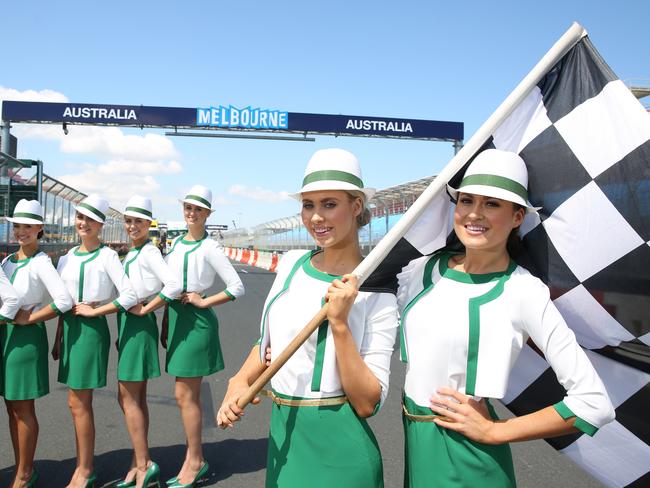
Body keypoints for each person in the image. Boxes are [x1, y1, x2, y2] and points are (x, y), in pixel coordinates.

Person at [397, 149, 615, 487]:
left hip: (468, 461)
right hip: (416, 449)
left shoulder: (524, 291)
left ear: (517, 217)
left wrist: (497, 431)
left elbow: (594, 404)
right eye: (466, 201)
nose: (474, 213)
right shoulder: (419, 271)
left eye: (493, 204)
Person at [217, 148, 399, 488]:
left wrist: (341, 325)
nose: (316, 217)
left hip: (341, 452)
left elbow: (367, 402)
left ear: (356, 206)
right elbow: (270, 340)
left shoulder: (377, 290)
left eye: (329, 204)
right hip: (283, 439)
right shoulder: (289, 266)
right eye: (308, 205)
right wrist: (239, 380)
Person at [163, 184, 244, 487]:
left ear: (208, 213)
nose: (192, 213)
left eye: (198, 209)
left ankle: (195, 460)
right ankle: (193, 457)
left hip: (196, 321)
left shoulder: (211, 247)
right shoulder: (175, 244)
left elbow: (237, 286)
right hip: (176, 319)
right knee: (187, 394)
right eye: (188, 207)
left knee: (184, 393)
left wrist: (204, 300)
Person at [54, 194, 137, 488]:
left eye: (90, 219)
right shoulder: (65, 257)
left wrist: (96, 309)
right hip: (70, 329)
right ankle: (83, 466)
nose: (83, 223)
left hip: (90, 330)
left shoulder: (107, 256)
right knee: (74, 403)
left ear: (101, 224)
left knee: (79, 401)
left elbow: (128, 295)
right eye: (80, 217)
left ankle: (85, 470)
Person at [1, 200, 73, 488]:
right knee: (10, 406)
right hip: (5, 336)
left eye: (28, 226)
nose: (21, 231)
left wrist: (30, 319)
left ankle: (25, 473)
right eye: (17, 225)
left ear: (40, 228)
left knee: (23, 407)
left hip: (25, 338)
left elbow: (64, 301)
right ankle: (22, 466)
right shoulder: (7, 261)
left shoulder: (41, 262)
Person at [114, 196, 182, 488]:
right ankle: (138, 462)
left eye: (138, 222)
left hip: (139, 324)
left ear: (148, 224)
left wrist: (147, 308)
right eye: (128, 221)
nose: (132, 226)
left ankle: (144, 464)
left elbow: (175, 285)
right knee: (135, 398)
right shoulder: (133, 253)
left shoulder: (150, 253)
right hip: (128, 324)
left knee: (128, 396)